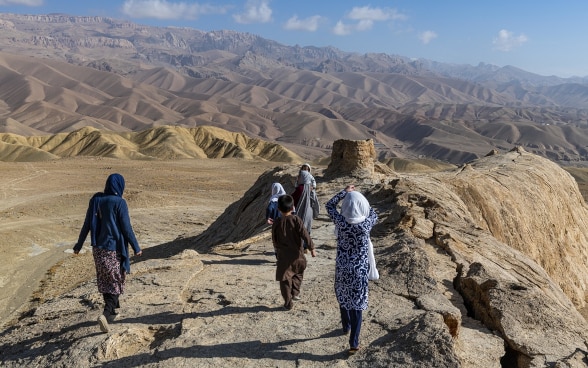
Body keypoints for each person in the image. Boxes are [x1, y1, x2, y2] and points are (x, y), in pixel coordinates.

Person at [73, 173, 142, 333]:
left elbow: (86, 225)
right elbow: (126, 228)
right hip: (114, 249)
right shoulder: (120, 203)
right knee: (116, 280)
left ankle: (112, 312)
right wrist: (136, 247)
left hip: (98, 249)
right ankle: (105, 314)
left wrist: (78, 245)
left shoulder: (96, 200)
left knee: (106, 279)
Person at [325, 185, 377, 355]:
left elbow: (329, 205)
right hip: (359, 271)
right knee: (357, 306)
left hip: (342, 268)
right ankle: (353, 342)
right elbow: (373, 212)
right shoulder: (366, 225)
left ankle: (345, 325)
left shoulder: (341, 222)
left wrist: (344, 193)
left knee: (343, 296)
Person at [272, 194, 316, 310]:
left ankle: (288, 303)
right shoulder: (296, 219)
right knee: (299, 271)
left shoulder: (277, 222)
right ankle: (295, 292)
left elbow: (274, 239)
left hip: (283, 256)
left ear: (278, 209)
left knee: (284, 279)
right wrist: (312, 248)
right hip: (297, 254)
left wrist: (277, 250)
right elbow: (305, 234)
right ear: (293, 208)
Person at [291, 163, 318, 251]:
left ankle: (300, 246)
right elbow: (315, 201)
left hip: (300, 211)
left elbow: (292, 200)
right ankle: (306, 246)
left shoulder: (299, 189)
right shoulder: (311, 190)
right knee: (306, 228)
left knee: (298, 228)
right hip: (309, 212)